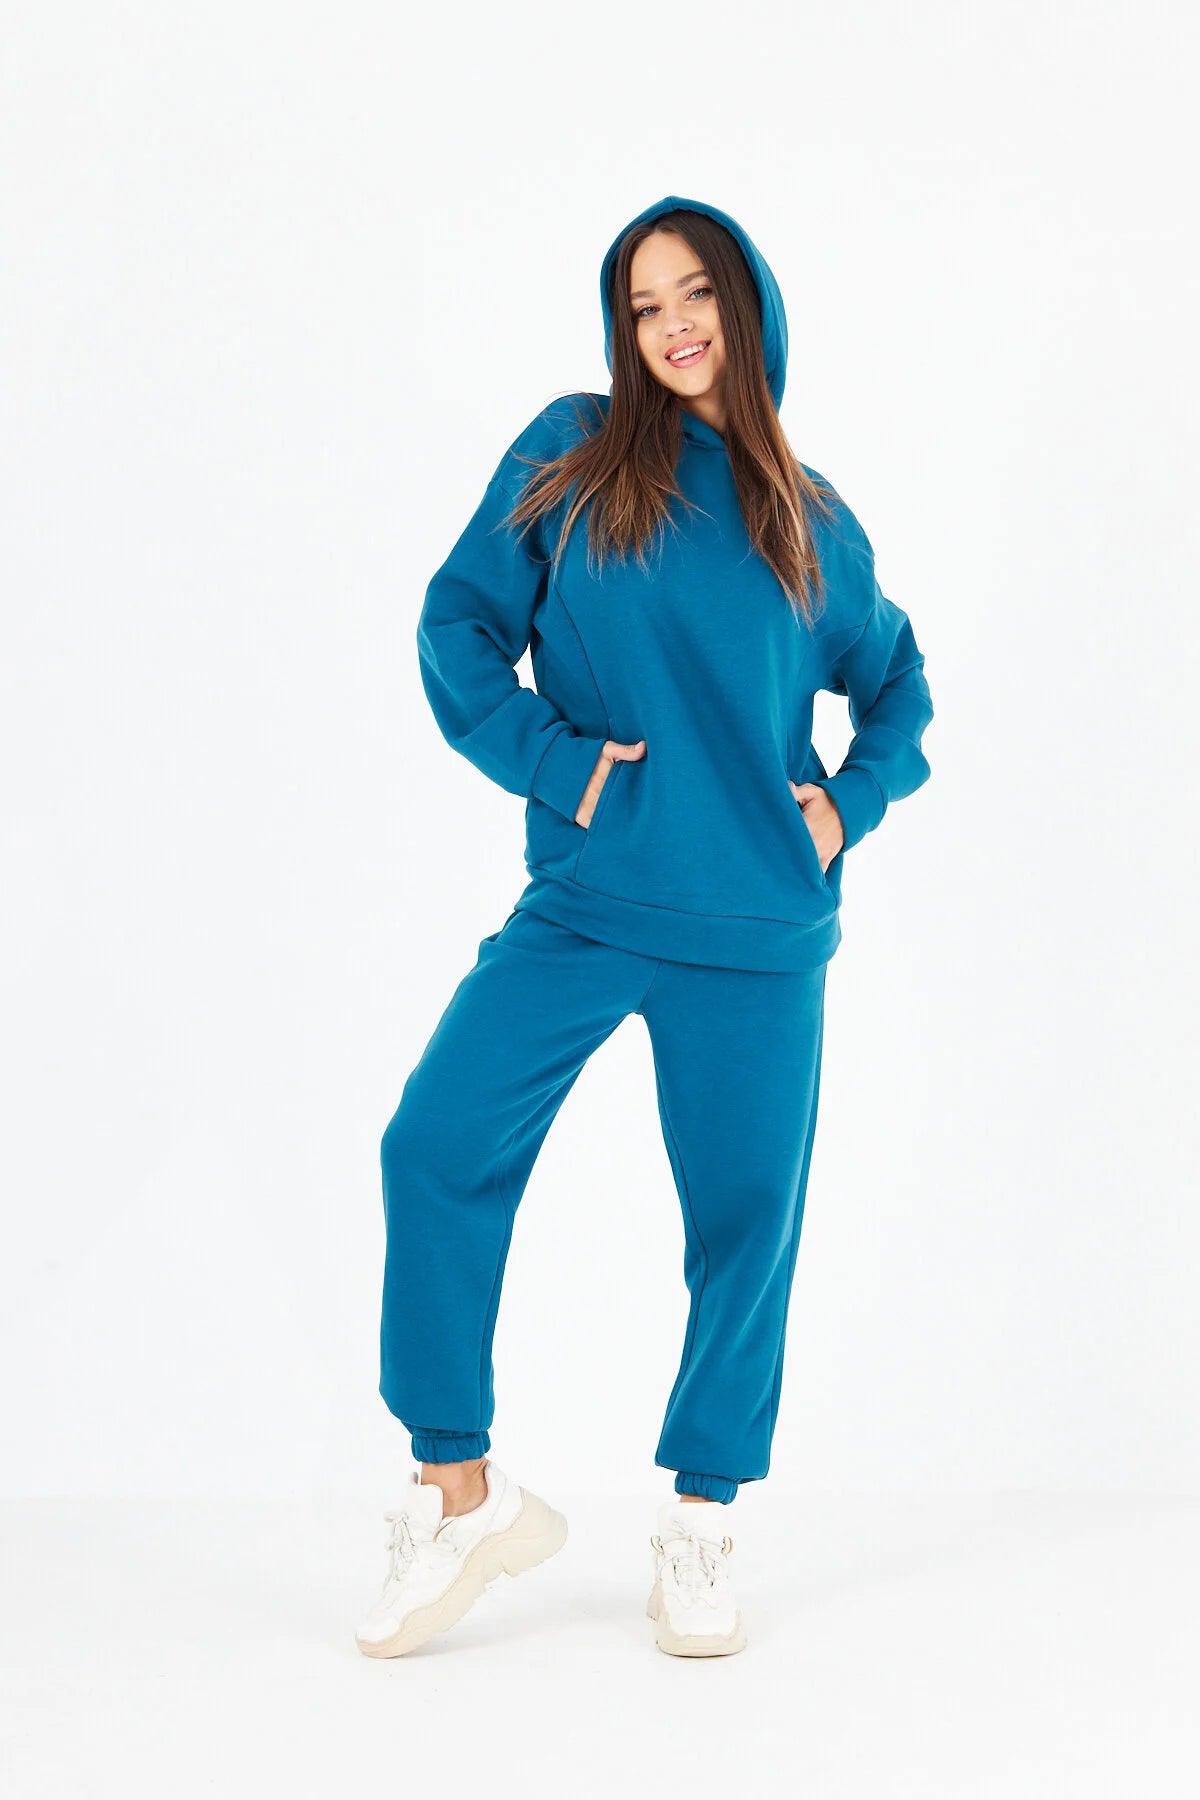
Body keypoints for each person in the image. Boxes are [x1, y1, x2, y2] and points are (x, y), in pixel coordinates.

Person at [355, 194, 934, 1661]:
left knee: (745, 1223)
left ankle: (703, 1520)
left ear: (749, 306)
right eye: (644, 305)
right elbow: (458, 625)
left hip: (757, 925)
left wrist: (847, 803)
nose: (673, 324)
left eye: (697, 295)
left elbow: (898, 684)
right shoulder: (573, 453)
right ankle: (460, 1492)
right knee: (434, 1143)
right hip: (588, 902)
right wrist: (554, 765)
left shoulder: (811, 521)